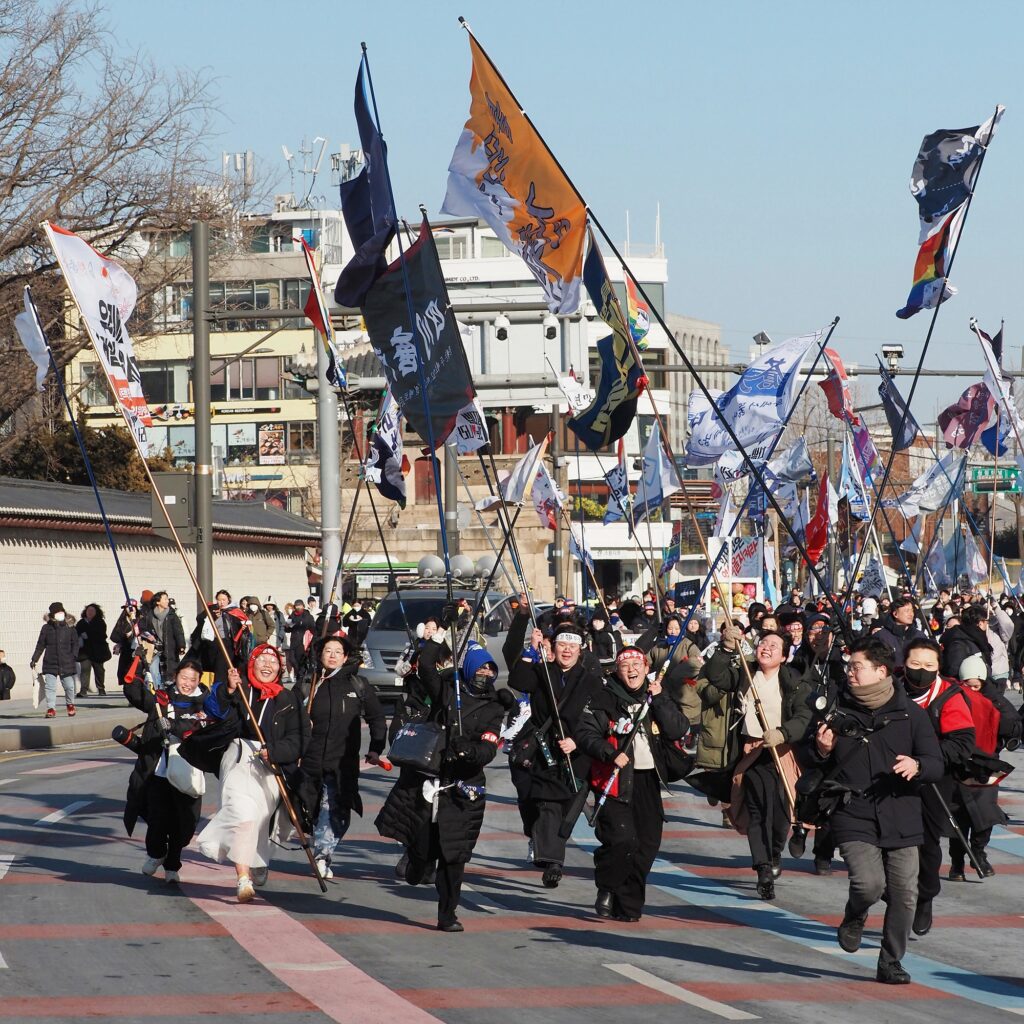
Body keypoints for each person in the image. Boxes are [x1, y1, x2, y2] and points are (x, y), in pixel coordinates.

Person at [815, 637, 943, 985]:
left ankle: (890, 961)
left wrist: (917, 765)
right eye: (850, 666)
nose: (850, 672)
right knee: (869, 885)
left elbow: (936, 762)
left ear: (881, 671)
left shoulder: (911, 715)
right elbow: (811, 763)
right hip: (852, 809)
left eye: (857, 666)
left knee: (904, 893)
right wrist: (823, 750)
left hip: (901, 811)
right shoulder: (836, 710)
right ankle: (855, 914)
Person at [375, 638, 507, 932]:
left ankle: (447, 914)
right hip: (429, 781)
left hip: (463, 788)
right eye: (480, 668)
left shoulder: (494, 708)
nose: (485, 673)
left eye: (491, 669)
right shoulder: (447, 692)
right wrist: (436, 641)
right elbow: (425, 667)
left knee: (454, 856)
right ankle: (417, 864)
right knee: (422, 848)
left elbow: (488, 748)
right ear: (469, 669)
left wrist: (468, 751)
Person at [578, 646, 689, 921]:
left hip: (648, 779)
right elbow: (586, 734)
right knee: (621, 840)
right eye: (625, 665)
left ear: (645, 668)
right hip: (615, 780)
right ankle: (607, 886)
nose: (632, 670)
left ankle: (628, 906)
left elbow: (678, 729)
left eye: (637, 665)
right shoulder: (604, 699)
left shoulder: (656, 697)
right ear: (617, 670)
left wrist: (661, 699)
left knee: (647, 845)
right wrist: (610, 753)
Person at [196, 644, 311, 902]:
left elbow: (300, 738)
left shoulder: (288, 699)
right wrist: (227, 689)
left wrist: (277, 751)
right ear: (252, 664)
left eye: (273, 661)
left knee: (260, 818)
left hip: (271, 765)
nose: (267, 665)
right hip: (238, 757)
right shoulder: (240, 688)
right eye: (262, 660)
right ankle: (243, 878)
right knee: (243, 814)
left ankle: (258, 858)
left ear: (280, 668)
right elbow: (215, 709)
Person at [506, 609, 603, 888]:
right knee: (546, 804)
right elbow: (517, 681)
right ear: (553, 647)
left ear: (581, 649)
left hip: (577, 752)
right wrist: (531, 650)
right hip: (544, 751)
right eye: (562, 644)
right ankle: (551, 858)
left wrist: (578, 740)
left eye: (573, 645)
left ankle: (550, 853)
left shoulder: (590, 678)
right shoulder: (542, 672)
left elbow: (599, 715)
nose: (567, 650)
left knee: (567, 810)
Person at [718, 630, 812, 899]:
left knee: (781, 813)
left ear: (784, 656)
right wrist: (726, 647)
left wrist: (783, 732)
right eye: (762, 643)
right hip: (753, 752)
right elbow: (715, 676)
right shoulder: (744, 675)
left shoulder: (794, 683)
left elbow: (804, 716)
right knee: (758, 809)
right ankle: (762, 868)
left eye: (774, 645)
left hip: (782, 753)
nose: (766, 648)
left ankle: (774, 853)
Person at [898, 637, 975, 937]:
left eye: (929, 666)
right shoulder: (890, 688)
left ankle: (925, 895)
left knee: (927, 841)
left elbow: (962, 743)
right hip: (890, 775)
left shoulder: (948, 695)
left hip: (933, 779)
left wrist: (925, 760)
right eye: (915, 664)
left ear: (939, 668)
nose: (921, 671)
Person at [296, 635, 387, 880]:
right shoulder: (309, 683)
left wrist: (377, 747)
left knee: (338, 810)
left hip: (342, 762)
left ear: (346, 657)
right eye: (328, 651)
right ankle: (320, 851)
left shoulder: (358, 684)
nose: (333, 655)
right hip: (310, 760)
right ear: (320, 654)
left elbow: (377, 717)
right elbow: (291, 717)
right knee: (312, 811)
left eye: (338, 651)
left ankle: (322, 855)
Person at [123, 658, 215, 882]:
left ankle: (173, 864)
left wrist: (175, 727)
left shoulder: (205, 704)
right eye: (184, 677)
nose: (187, 683)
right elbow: (134, 692)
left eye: (192, 679)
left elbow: (204, 729)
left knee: (183, 826)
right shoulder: (162, 699)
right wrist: (136, 660)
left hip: (188, 775)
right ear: (176, 677)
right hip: (160, 773)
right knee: (156, 821)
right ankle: (158, 855)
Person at [947, 651, 1022, 879]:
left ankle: (978, 852)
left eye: (977, 684)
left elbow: (1012, 724)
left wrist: (993, 704)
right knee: (957, 818)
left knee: (986, 815)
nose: (973, 688)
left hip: (986, 765)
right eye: (968, 684)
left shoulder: (995, 700)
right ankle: (957, 863)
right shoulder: (954, 696)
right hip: (959, 765)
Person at [31, 602, 79, 719]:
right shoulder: (46, 628)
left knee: (69, 686)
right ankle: (51, 708)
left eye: (61, 612)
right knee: (50, 687)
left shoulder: (70, 627)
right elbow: (40, 645)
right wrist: (34, 659)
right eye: (58, 613)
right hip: (50, 662)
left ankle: (70, 704)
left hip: (67, 662)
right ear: (52, 615)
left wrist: (73, 656)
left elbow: (75, 643)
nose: (60, 614)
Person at [874, 597, 925, 671]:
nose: (911, 614)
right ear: (895, 614)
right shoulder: (881, 636)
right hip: (890, 679)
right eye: (907, 611)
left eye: (912, 611)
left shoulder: (920, 636)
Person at [150, 592, 186, 687]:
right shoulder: (151, 615)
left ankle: (168, 693)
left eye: (167, 599)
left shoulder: (171, 615)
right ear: (158, 602)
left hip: (170, 648)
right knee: (154, 671)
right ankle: (158, 692)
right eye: (165, 599)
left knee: (169, 673)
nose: (167, 601)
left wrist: (181, 646)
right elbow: (144, 628)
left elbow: (178, 631)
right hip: (155, 649)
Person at [76, 603, 111, 697]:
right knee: (85, 670)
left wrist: (88, 636)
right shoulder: (81, 622)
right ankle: (83, 690)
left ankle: (101, 689)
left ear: (96, 612)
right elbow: (76, 633)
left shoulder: (100, 622)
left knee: (99, 671)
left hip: (97, 652)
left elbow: (102, 635)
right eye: (88, 611)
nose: (90, 612)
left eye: (92, 611)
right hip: (85, 652)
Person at [285, 599, 316, 683]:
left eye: (300, 605)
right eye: (296, 605)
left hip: (303, 642)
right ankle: (300, 673)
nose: (298, 607)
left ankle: (301, 676)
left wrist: (311, 641)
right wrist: (288, 626)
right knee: (291, 659)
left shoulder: (308, 616)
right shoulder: (292, 616)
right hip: (293, 640)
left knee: (300, 659)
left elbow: (313, 629)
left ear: (303, 606)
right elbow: (287, 629)